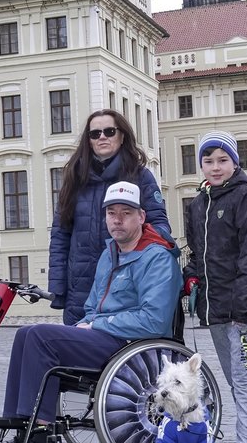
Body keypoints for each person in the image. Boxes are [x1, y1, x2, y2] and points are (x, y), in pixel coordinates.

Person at [0, 181, 181, 443]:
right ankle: (21, 430)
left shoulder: (156, 257)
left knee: (40, 337)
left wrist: (99, 323)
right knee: (25, 334)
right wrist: (84, 325)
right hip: (105, 337)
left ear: (142, 217)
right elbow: (91, 307)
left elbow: (155, 319)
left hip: (131, 345)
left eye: (126, 212)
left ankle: (39, 439)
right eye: (112, 213)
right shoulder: (109, 253)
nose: (118, 219)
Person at [184, 130, 247, 443]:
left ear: (235, 162)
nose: (215, 167)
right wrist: (191, 277)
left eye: (223, 160)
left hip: (245, 313)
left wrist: (245, 306)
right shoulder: (198, 204)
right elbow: (197, 253)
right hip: (216, 310)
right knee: (239, 382)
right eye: (208, 160)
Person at [48, 109, 169, 326]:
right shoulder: (75, 180)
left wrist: (143, 263)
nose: (102, 137)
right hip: (81, 285)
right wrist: (58, 287)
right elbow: (60, 235)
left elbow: (160, 227)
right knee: (77, 352)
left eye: (109, 131)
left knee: (117, 351)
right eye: (95, 134)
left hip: (125, 283)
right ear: (89, 140)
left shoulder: (140, 176)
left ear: (122, 136)